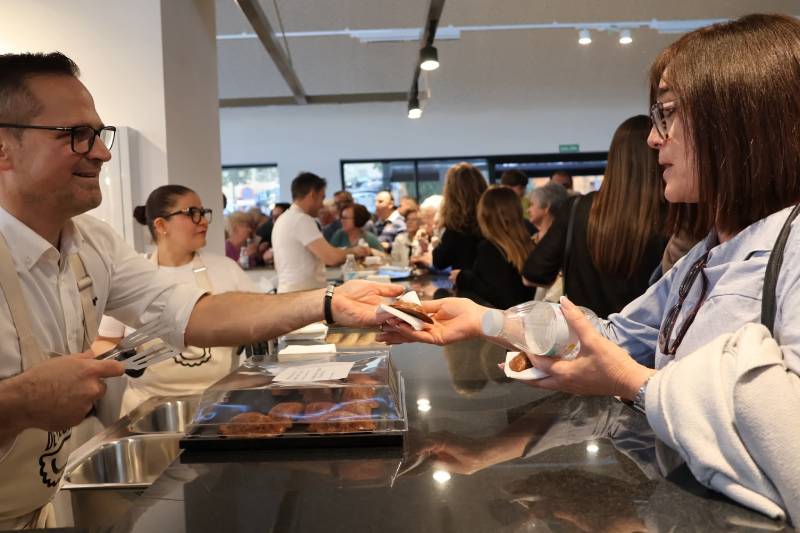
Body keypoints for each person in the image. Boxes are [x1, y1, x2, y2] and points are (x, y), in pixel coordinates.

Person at [378, 14, 800, 523]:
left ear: (739, 119)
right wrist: (485, 321)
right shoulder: (708, 254)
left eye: (667, 113)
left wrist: (629, 382)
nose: (653, 138)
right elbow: (609, 335)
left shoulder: (790, 246)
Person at [0, 51, 401, 528]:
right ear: (4, 147)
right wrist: (16, 405)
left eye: (99, 134)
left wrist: (328, 302)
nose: (103, 152)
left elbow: (192, 312)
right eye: (75, 135)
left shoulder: (92, 244)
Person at [92, 185, 257, 415]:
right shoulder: (131, 276)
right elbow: (101, 340)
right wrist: (124, 357)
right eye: (192, 213)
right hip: (147, 410)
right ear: (161, 225)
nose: (203, 221)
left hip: (218, 407)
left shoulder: (226, 270)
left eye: (203, 212)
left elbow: (256, 320)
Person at [523, 115, 668, 318]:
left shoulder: (576, 209)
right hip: (647, 341)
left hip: (584, 338)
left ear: (614, 158)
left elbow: (533, 274)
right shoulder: (674, 214)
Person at [272, 172, 369, 292]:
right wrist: (355, 251)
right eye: (322, 197)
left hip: (292, 292)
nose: (322, 205)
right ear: (313, 195)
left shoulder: (284, 218)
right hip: (302, 295)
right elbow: (331, 258)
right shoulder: (301, 220)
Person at [453, 187, 534, 309]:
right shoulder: (529, 243)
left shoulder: (490, 249)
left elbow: (496, 294)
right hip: (530, 318)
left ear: (485, 216)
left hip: (506, 323)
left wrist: (462, 277)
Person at [432, 162, 487, 273]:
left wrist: (436, 242)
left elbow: (439, 262)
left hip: (468, 287)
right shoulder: (493, 220)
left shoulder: (457, 227)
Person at [525, 182, 569, 301]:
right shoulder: (530, 240)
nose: (528, 210)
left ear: (547, 207)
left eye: (532, 204)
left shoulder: (563, 242)